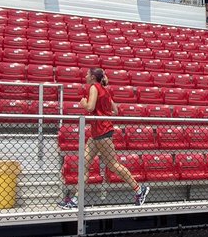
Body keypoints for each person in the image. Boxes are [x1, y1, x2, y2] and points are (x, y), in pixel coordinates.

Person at [61, 68, 149, 207]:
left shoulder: (94, 87)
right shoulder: (105, 89)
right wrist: (103, 113)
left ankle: (139, 189)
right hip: (96, 133)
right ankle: (76, 200)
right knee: (84, 166)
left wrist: (83, 104)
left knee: (113, 165)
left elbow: (89, 107)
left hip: (102, 133)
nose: (85, 75)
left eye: (87, 74)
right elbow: (115, 110)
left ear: (92, 77)